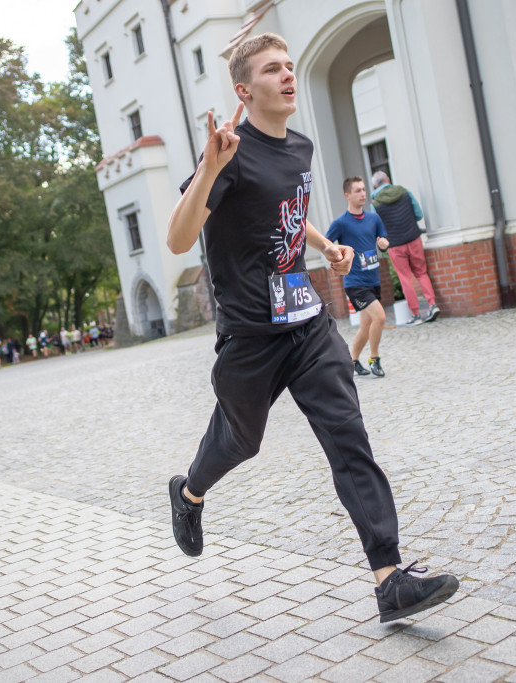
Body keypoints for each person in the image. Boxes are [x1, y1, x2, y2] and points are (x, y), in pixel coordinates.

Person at [165, 32, 458, 624]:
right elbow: (177, 239)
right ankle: (190, 492)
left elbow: (286, 218)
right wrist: (207, 169)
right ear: (246, 90)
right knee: (240, 441)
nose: (288, 76)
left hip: (305, 322)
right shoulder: (228, 154)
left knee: (348, 436)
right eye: (273, 70)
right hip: (249, 337)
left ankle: (390, 578)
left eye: (291, 66)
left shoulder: (300, 146)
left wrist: (325, 245)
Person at [326, 176, 390, 377]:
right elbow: (327, 243)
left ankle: (352, 360)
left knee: (367, 325)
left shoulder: (374, 218)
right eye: (357, 190)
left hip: (373, 279)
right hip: (355, 282)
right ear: (347, 195)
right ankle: (374, 358)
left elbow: (383, 238)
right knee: (379, 317)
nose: (363, 194)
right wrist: (339, 257)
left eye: (363, 189)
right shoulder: (341, 223)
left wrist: (384, 244)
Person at [369, 171, 440, 324]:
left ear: (375, 185)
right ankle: (432, 305)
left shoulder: (375, 205)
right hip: (414, 238)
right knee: (421, 273)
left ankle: (415, 315)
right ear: (388, 179)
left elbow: (377, 229)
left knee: (405, 278)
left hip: (395, 245)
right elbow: (419, 214)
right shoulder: (405, 192)